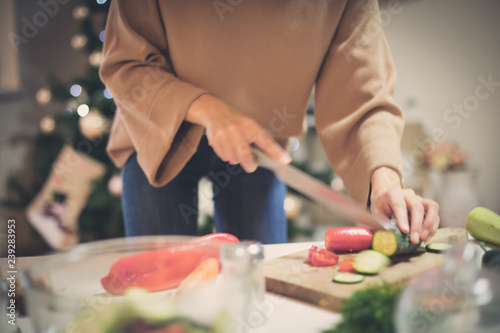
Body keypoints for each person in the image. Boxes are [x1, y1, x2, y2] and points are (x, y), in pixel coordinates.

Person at [100, 0, 440, 244]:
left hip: (260, 150)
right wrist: (210, 110)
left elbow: (363, 94)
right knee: (158, 295)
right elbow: (126, 65)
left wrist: (383, 181)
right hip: (158, 135)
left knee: (260, 290)